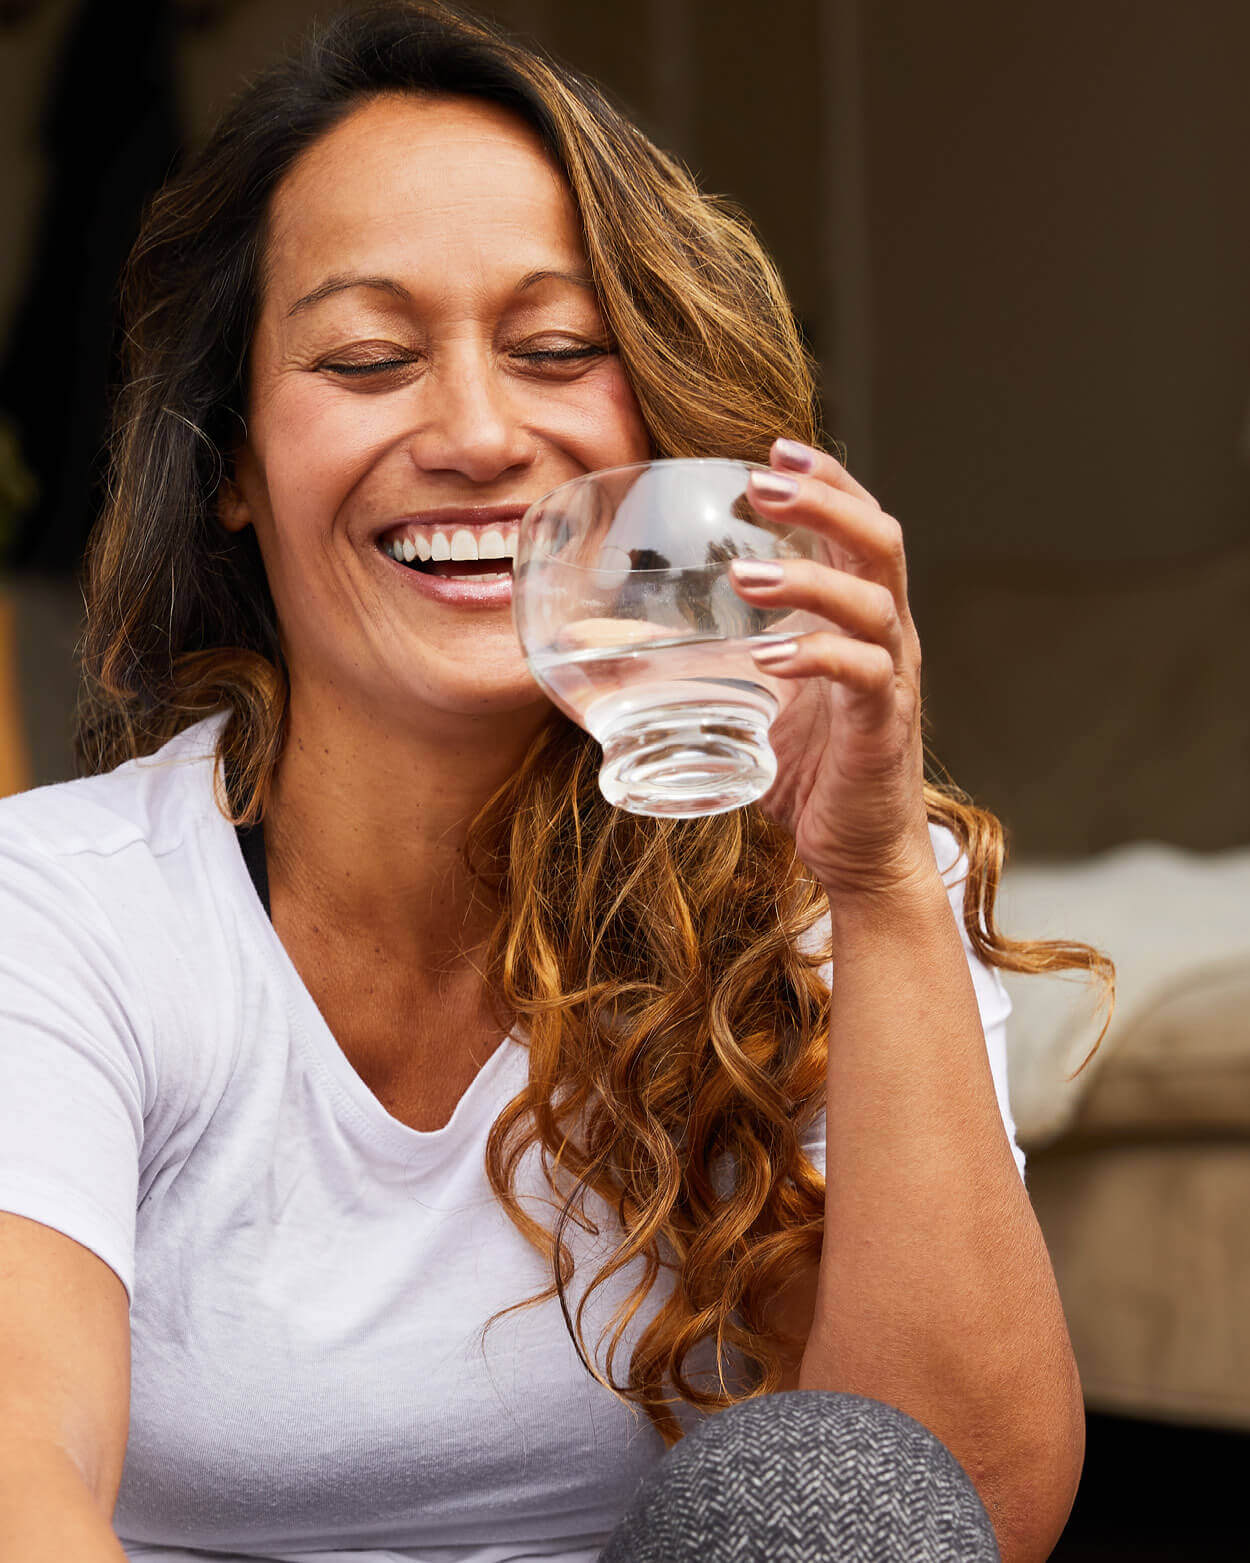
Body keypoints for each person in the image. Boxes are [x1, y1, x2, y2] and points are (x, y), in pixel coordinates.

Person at [0, 3, 1110, 1559]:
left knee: (807, 1490)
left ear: (656, 427)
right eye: (368, 357)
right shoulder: (55, 911)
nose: (471, 432)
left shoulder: (831, 891)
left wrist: (876, 893)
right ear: (236, 464)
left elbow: (950, 1512)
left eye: (557, 351)